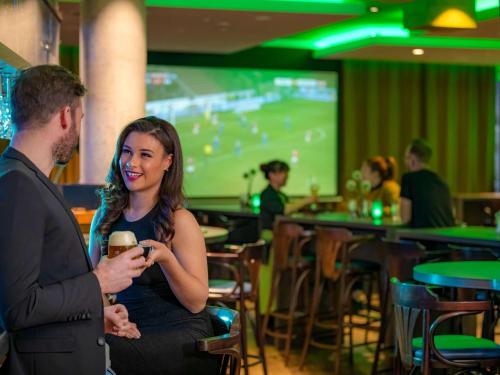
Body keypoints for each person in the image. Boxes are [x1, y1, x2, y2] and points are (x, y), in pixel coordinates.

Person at [0, 65, 145, 375]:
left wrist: (94, 317)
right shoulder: (19, 183)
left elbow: (47, 287)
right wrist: (101, 281)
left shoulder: (28, 178)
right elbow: (19, 307)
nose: (78, 132)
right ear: (65, 116)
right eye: (79, 120)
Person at [88, 116, 217, 375]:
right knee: (86, 341)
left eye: (145, 154)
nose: (132, 162)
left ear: (167, 162)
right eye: (126, 151)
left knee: (98, 350)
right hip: (128, 328)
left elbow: (196, 303)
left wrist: (167, 258)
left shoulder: (180, 220)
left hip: (179, 334)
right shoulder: (105, 215)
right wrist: (111, 317)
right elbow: (94, 285)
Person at [400, 139, 454, 228]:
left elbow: (405, 218)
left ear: (412, 159)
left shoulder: (408, 178)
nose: (405, 161)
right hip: (445, 238)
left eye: (407, 157)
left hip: (422, 238)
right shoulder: (442, 181)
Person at [259, 160, 317, 231]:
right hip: (272, 234)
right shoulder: (268, 194)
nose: (286, 175)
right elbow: (284, 210)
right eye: (282, 172)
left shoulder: (281, 195)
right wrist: (306, 201)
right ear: (271, 175)